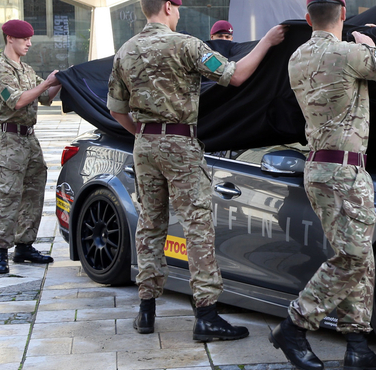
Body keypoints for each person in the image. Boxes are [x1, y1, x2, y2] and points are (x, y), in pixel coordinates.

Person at [106, 0, 285, 341]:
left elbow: (115, 109)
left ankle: (146, 311)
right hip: (180, 146)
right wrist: (267, 42)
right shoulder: (186, 45)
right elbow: (236, 75)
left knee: (150, 225)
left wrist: (145, 137)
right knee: (197, 227)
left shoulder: (125, 51)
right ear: (169, 7)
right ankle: (206, 316)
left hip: (144, 146)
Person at [270, 1, 376, 369]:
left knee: (360, 258)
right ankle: (295, 324)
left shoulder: (296, 58)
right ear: (344, 13)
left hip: (317, 168)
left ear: (307, 18)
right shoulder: (351, 53)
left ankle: (356, 344)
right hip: (344, 172)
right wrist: (370, 46)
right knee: (352, 258)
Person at [0, 19, 60, 274]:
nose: (29, 43)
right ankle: (1, 251)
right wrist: (45, 83)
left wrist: (60, 81)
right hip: (10, 140)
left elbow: (44, 97)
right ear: (10, 38)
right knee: (8, 195)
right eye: (24, 39)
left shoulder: (26, 70)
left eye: (30, 39)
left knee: (33, 192)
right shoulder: (0, 71)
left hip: (29, 138)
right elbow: (16, 102)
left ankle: (24, 245)